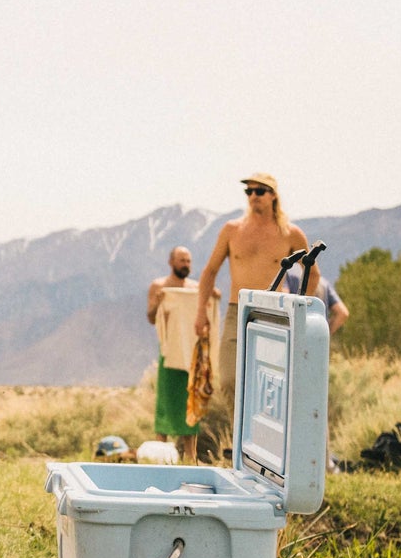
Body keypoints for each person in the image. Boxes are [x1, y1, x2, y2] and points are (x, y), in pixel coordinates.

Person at [194, 175, 310, 442]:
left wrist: (301, 305)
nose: (253, 195)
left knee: (270, 383)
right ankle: (241, 442)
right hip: (238, 311)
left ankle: (266, 445)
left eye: (260, 190)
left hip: (274, 313)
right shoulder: (231, 230)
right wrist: (201, 311)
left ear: (273, 196)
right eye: (249, 191)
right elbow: (210, 271)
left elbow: (311, 273)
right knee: (230, 380)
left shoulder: (291, 234)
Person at [146, 247, 219, 462]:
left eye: (188, 260)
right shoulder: (159, 286)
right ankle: (160, 453)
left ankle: (191, 455)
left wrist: (213, 296)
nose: (186, 264)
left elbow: (211, 306)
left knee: (191, 400)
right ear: (171, 262)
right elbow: (151, 317)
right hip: (170, 351)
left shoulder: (197, 288)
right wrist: (157, 302)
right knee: (166, 401)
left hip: (191, 353)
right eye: (182, 261)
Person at [283, 263, 350, 335]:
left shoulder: (286, 275)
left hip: (295, 338)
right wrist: (325, 335)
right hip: (318, 338)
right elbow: (343, 313)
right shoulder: (323, 282)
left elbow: (282, 302)